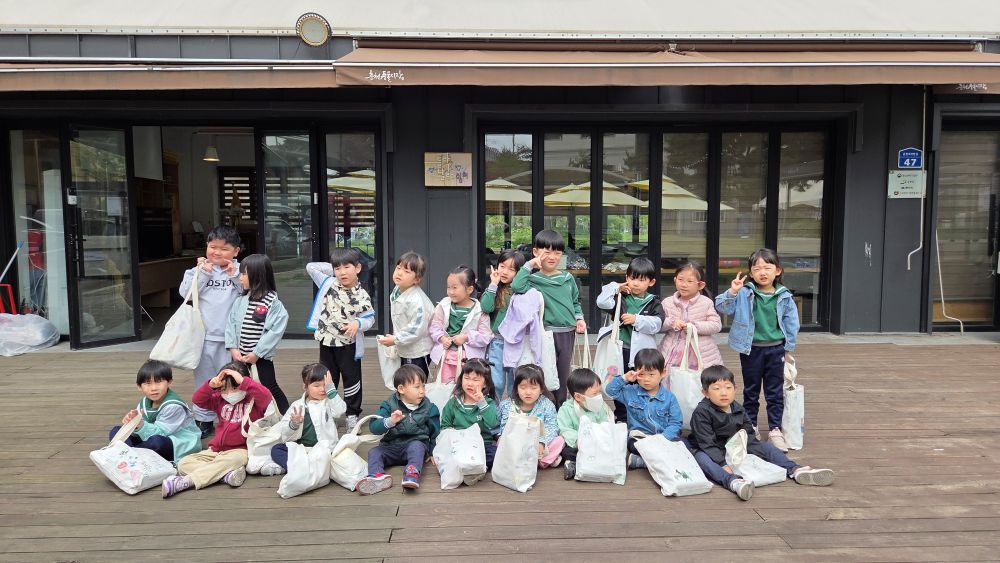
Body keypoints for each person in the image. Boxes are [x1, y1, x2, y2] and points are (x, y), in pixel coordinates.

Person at [688, 365, 834, 501]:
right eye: (717, 388)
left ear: (735, 389)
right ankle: (733, 482)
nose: (724, 392)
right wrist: (722, 464)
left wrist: (759, 455)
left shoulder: (737, 408)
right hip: (709, 449)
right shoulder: (702, 412)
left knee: (767, 447)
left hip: (735, 447)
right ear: (705, 393)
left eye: (728, 387)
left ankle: (795, 469)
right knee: (703, 459)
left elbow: (748, 434)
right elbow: (707, 443)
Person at [715, 248, 800, 452]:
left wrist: (788, 347)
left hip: (776, 349)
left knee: (774, 392)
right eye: (757, 269)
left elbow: (792, 323)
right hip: (751, 349)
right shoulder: (745, 292)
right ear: (751, 273)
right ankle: (751, 427)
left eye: (767, 268)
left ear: (777, 271)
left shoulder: (784, 296)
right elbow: (722, 307)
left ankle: (775, 430)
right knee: (751, 391)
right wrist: (733, 291)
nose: (762, 272)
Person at [160, 361, 272, 498]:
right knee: (183, 463)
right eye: (224, 389)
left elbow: (266, 396)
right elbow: (197, 399)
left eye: (235, 388)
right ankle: (225, 475)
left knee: (233, 461)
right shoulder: (219, 399)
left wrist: (243, 381)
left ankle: (186, 482)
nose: (229, 393)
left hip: (241, 450)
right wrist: (210, 386)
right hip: (216, 450)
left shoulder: (254, 400)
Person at [179, 225, 242, 438]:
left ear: (236, 251)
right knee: (204, 381)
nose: (217, 252)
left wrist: (235, 276)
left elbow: (248, 293)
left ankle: (232, 418)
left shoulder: (241, 270)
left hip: (231, 340)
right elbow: (186, 294)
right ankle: (203, 419)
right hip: (203, 338)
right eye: (213, 247)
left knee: (232, 380)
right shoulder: (197, 270)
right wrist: (204, 274)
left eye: (224, 249)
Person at [511, 230, 587, 405]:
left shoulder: (567, 278)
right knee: (545, 372)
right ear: (535, 252)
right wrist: (530, 264)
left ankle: (560, 408)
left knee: (563, 373)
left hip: (567, 333)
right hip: (544, 333)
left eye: (557, 253)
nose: (552, 257)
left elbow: (575, 302)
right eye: (547, 252)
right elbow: (516, 286)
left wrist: (579, 319)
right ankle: (545, 408)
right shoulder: (532, 280)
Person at [307, 248, 376, 433]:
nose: (342, 272)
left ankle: (352, 415)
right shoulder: (328, 283)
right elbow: (311, 267)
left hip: (348, 345)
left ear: (358, 268)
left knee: (351, 380)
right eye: (338, 268)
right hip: (326, 342)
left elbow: (370, 318)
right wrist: (333, 268)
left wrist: (358, 323)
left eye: (347, 267)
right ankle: (329, 412)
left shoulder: (361, 295)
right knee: (328, 378)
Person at [596, 256, 664, 422]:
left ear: (651, 282)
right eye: (632, 278)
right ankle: (622, 415)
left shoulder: (653, 302)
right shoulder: (621, 297)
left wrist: (636, 319)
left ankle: (641, 416)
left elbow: (657, 324)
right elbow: (601, 302)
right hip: (619, 350)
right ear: (626, 277)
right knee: (619, 381)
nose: (635, 283)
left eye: (641, 280)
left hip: (641, 353)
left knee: (641, 382)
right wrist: (615, 287)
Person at [359, 364, 441, 494]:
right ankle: (376, 477)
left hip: (414, 444)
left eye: (423, 386)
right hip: (391, 446)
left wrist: (432, 452)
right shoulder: (388, 405)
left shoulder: (429, 408)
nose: (422, 391)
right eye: (417, 387)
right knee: (374, 452)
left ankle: (411, 473)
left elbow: (435, 432)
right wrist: (390, 421)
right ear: (401, 389)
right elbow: (374, 427)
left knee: (417, 447)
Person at [225, 253, 289, 414]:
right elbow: (230, 324)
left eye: (244, 274)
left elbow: (275, 331)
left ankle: (287, 417)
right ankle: (246, 418)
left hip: (261, 358)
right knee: (240, 388)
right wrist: (233, 348)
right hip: (239, 356)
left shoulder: (273, 303)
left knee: (269, 387)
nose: (240, 278)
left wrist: (257, 353)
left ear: (257, 276)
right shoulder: (241, 300)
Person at [255, 364, 345, 477]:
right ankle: (303, 468)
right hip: (303, 449)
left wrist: (331, 391)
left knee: (343, 453)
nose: (322, 389)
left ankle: (298, 469)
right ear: (305, 387)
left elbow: (340, 410)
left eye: (325, 385)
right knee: (276, 449)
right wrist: (294, 424)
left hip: (324, 450)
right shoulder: (297, 406)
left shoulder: (328, 403)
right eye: (317, 385)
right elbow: (284, 434)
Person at [604, 348, 683, 470]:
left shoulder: (669, 398)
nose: (646, 379)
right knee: (632, 444)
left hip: (663, 438)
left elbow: (675, 422)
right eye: (641, 374)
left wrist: (662, 439)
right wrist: (625, 378)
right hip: (640, 438)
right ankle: (660, 460)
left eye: (651, 374)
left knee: (683, 445)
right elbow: (610, 390)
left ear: (663, 373)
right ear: (635, 372)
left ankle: (642, 462)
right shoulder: (630, 392)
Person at [110, 359, 200, 463]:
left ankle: (128, 457)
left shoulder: (173, 406)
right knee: (116, 431)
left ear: (169, 382)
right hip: (150, 437)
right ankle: (131, 456)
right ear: (139, 386)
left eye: (158, 382)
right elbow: (141, 430)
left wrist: (140, 424)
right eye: (148, 383)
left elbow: (161, 433)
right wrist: (132, 422)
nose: (153, 388)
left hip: (177, 444)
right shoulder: (144, 402)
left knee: (156, 442)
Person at [659, 261, 724, 384]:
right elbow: (659, 324)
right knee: (671, 380)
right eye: (680, 280)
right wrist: (672, 323)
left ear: (700, 285)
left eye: (690, 281)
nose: (684, 285)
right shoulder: (667, 302)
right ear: (675, 280)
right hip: (673, 351)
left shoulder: (706, 303)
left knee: (698, 382)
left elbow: (716, 325)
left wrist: (695, 326)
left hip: (699, 351)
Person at [439, 358, 500, 486]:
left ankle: (475, 469)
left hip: (482, 443)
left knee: (496, 455)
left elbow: (492, 423)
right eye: (466, 378)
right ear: (461, 379)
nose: (470, 383)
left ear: (485, 384)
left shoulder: (488, 402)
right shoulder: (454, 402)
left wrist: (481, 402)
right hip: (459, 444)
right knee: (447, 456)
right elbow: (445, 425)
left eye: (476, 380)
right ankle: (472, 469)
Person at [429, 266, 492, 384]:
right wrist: (442, 338)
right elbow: (434, 326)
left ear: (469, 289)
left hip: (470, 360)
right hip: (446, 356)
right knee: (445, 386)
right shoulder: (444, 305)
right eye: (448, 287)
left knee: (468, 386)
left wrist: (466, 337)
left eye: (455, 287)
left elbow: (486, 336)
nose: (450, 291)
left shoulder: (479, 310)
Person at [377, 252, 436, 376]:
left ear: (417, 279)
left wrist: (395, 339)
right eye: (398, 268)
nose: (399, 273)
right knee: (404, 379)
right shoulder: (397, 289)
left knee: (413, 381)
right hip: (404, 345)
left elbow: (416, 329)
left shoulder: (417, 301)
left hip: (417, 352)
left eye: (406, 271)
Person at [497, 364, 564, 469]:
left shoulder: (547, 404)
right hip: (516, 443)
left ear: (541, 389)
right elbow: (505, 428)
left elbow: (552, 427)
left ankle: (539, 461)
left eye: (533, 388)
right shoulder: (508, 405)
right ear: (516, 388)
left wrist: (541, 441)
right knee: (501, 440)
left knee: (559, 441)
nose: (528, 392)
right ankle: (543, 460)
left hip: (538, 444)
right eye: (523, 387)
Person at [482, 249, 529, 398]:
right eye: (502, 266)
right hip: (497, 341)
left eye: (511, 269)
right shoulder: (494, 288)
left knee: (514, 381)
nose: (504, 272)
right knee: (496, 381)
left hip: (516, 341)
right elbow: (486, 307)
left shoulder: (522, 290)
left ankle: (513, 409)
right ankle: (494, 410)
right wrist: (493, 284)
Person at [556, 368, 615, 481]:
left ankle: (583, 462)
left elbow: (605, 422)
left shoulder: (599, 406)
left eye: (599, 392)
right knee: (566, 451)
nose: (599, 396)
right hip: (578, 444)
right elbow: (565, 429)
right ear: (578, 397)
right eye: (595, 394)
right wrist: (577, 440)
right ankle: (572, 462)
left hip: (597, 442)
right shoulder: (566, 409)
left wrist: (602, 436)